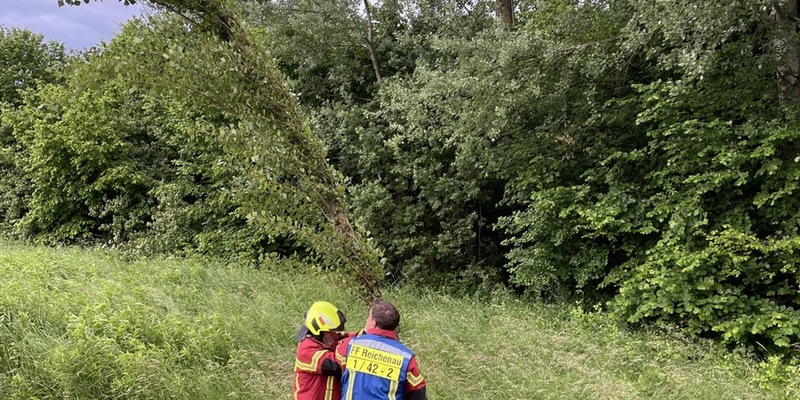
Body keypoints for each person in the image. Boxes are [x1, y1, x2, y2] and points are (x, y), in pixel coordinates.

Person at [336, 300, 427, 400]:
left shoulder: (348, 345)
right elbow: (418, 393)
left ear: (373, 324)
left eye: (368, 318)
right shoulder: (406, 358)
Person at [293, 301, 349, 400]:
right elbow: (335, 366)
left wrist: (367, 334)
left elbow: (345, 337)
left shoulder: (327, 339)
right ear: (318, 331)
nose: (334, 334)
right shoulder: (306, 349)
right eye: (330, 331)